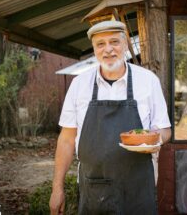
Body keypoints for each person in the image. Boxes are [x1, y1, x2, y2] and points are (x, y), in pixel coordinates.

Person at [49, 20, 171, 215]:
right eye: (100, 44)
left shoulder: (148, 81)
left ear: (125, 45)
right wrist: (57, 189)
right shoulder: (79, 84)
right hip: (94, 187)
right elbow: (66, 139)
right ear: (94, 49)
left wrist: (156, 138)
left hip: (138, 188)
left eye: (114, 42)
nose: (108, 50)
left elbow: (164, 130)